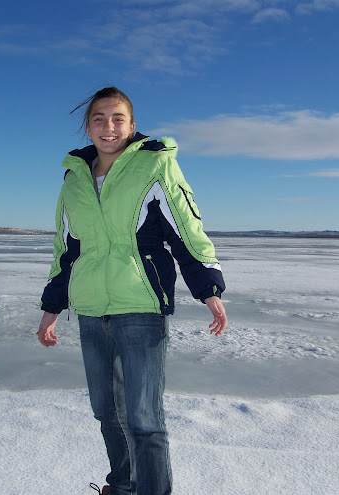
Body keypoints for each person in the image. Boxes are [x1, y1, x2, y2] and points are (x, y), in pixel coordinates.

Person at [37, 87, 227, 495]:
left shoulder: (155, 166)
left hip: (141, 306)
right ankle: (121, 487)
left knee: (143, 418)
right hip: (91, 310)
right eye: (100, 118)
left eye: (118, 118)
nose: (109, 127)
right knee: (106, 413)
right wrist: (53, 306)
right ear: (88, 127)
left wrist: (208, 287)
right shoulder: (74, 179)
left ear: (132, 125)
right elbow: (67, 249)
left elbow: (185, 229)